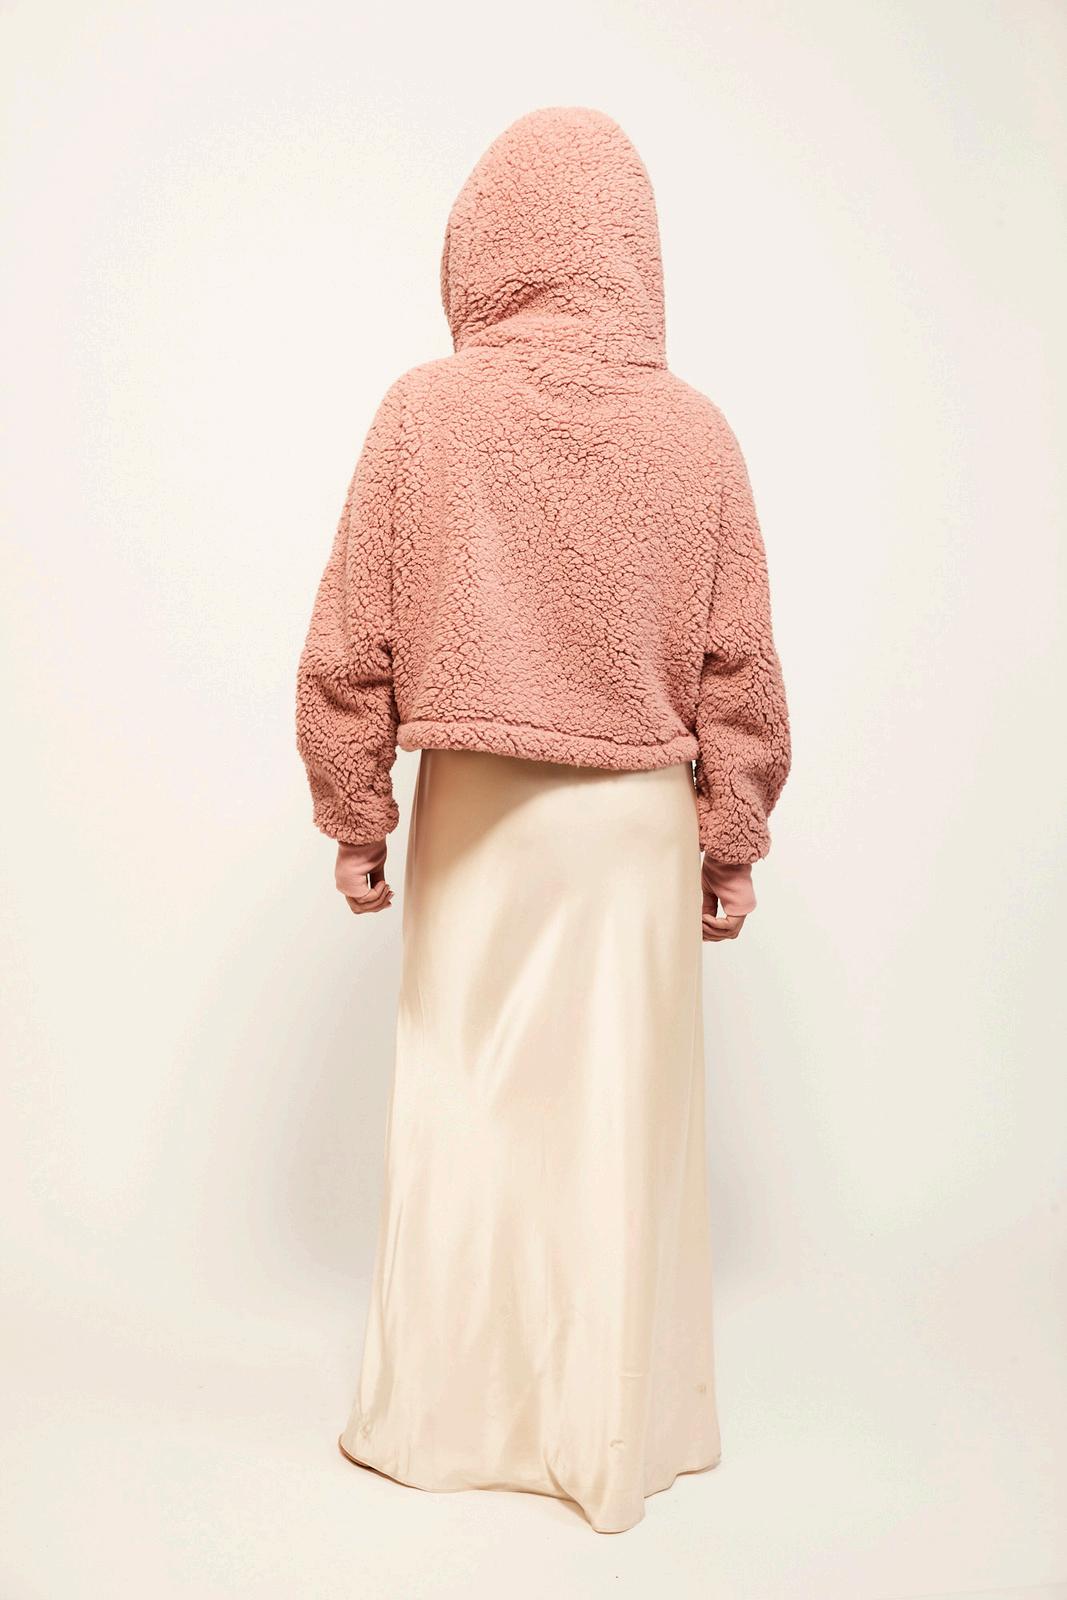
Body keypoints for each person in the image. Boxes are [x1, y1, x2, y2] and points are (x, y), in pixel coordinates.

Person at [295, 104, 792, 1534]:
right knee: (619, 1120)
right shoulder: (697, 435)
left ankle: (442, 1421)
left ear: (486, 242)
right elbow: (740, 668)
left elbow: (352, 642)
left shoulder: (424, 413)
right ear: (633, 247)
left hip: (480, 814)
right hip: (634, 828)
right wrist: (732, 834)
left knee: (467, 1107)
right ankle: (619, 1427)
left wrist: (355, 810)